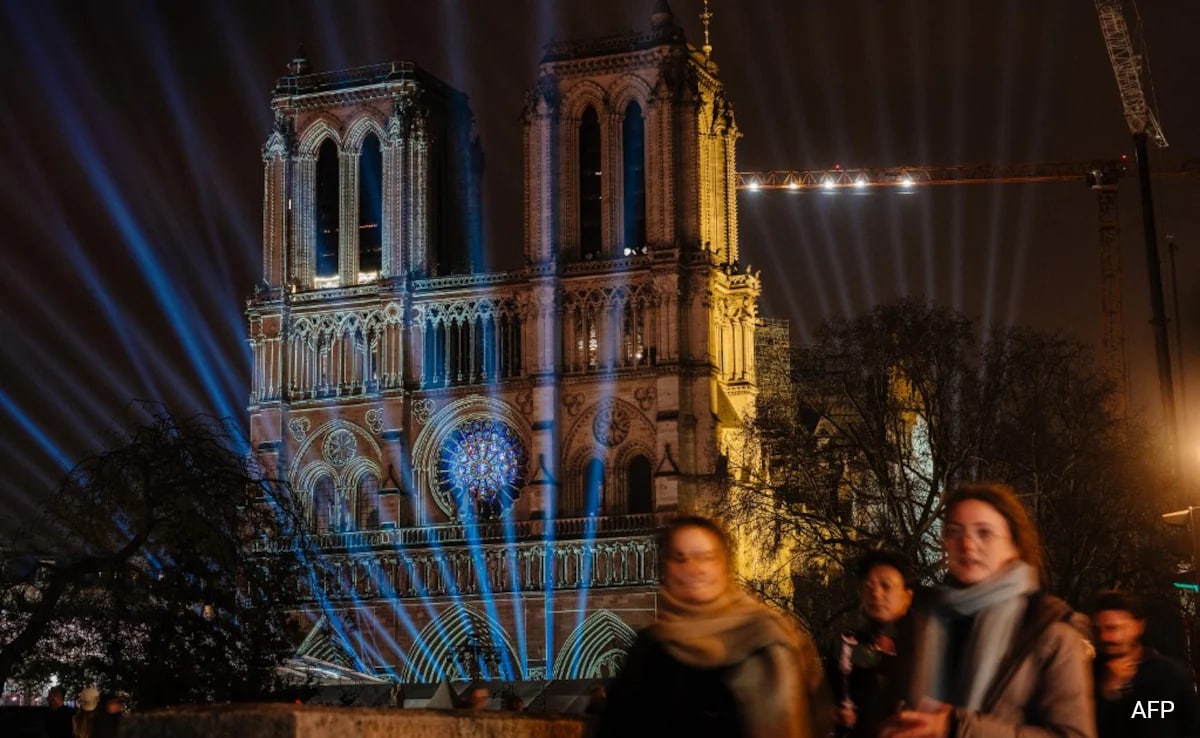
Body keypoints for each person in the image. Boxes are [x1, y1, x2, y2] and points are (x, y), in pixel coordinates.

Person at [881, 483, 1095, 738]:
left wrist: (959, 728)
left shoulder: (1051, 634)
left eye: (984, 533)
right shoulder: (924, 622)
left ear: (1014, 545)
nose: (968, 545)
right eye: (954, 532)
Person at [595, 515, 834, 738]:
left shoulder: (769, 637)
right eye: (680, 558)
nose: (693, 568)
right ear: (665, 568)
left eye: (706, 557)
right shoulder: (650, 647)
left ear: (724, 565)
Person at [1090, 590, 1199, 738]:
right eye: (1098, 630)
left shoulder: (1170, 675)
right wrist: (1108, 692)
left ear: (1138, 626)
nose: (1105, 637)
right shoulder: (1086, 676)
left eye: (1113, 628)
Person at [833, 550, 915, 737]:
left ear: (907, 596)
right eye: (868, 587)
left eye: (886, 586)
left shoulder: (929, 647)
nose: (876, 593)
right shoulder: (847, 649)